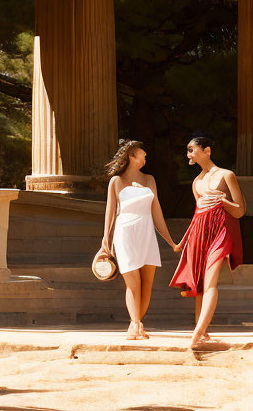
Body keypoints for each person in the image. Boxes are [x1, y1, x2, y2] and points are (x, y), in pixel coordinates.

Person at [171, 134, 246, 349]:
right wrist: (184, 241)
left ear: (207, 151)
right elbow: (197, 215)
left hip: (221, 232)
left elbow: (240, 211)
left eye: (192, 149)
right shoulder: (196, 182)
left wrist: (222, 200)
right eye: (187, 150)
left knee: (211, 281)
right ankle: (203, 332)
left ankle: (196, 333)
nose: (188, 154)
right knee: (200, 285)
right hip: (199, 233)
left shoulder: (226, 175)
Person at [101, 140, 178, 340]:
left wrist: (170, 242)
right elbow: (110, 214)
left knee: (147, 285)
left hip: (147, 233)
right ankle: (136, 324)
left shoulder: (149, 179)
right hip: (125, 232)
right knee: (133, 284)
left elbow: (157, 213)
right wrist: (106, 243)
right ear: (132, 156)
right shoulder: (116, 181)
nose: (146, 156)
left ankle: (136, 324)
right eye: (142, 153)